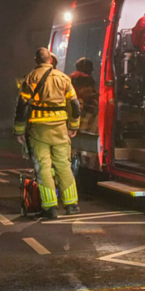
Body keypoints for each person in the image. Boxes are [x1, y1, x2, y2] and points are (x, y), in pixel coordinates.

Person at [14, 47, 81, 220]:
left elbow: (21, 106)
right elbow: (75, 105)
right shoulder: (64, 78)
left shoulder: (31, 78)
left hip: (38, 131)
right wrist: (73, 126)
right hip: (60, 130)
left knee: (43, 168)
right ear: (50, 60)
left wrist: (19, 130)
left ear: (36, 61)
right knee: (63, 166)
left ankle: (50, 207)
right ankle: (71, 204)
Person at [69, 57, 98, 134]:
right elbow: (88, 95)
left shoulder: (70, 77)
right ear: (85, 67)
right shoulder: (85, 78)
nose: (92, 70)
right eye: (90, 67)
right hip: (84, 108)